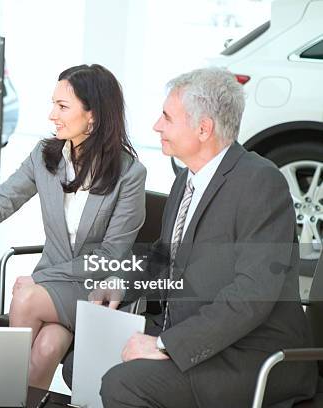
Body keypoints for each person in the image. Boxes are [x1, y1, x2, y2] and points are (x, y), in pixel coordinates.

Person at [68, 67, 318, 407]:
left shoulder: (261, 183)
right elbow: (163, 256)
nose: (157, 125)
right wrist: (122, 282)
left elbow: (251, 296)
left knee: (124, 384)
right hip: (196, 336)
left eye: (167, 117)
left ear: (204, 129)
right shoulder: (186, 179)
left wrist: (163, 345)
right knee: (78, 365)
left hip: (248, 354)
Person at [0, 64, 147, 389]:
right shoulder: (45, 156)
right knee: (47, 347)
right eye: (53, 103)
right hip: (54, 288)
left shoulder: (129, 173)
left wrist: (39, 279)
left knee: (25, 300)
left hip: (95, 291)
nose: (52, 114)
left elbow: (110, 255)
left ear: (92, 115)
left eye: (62, 106)